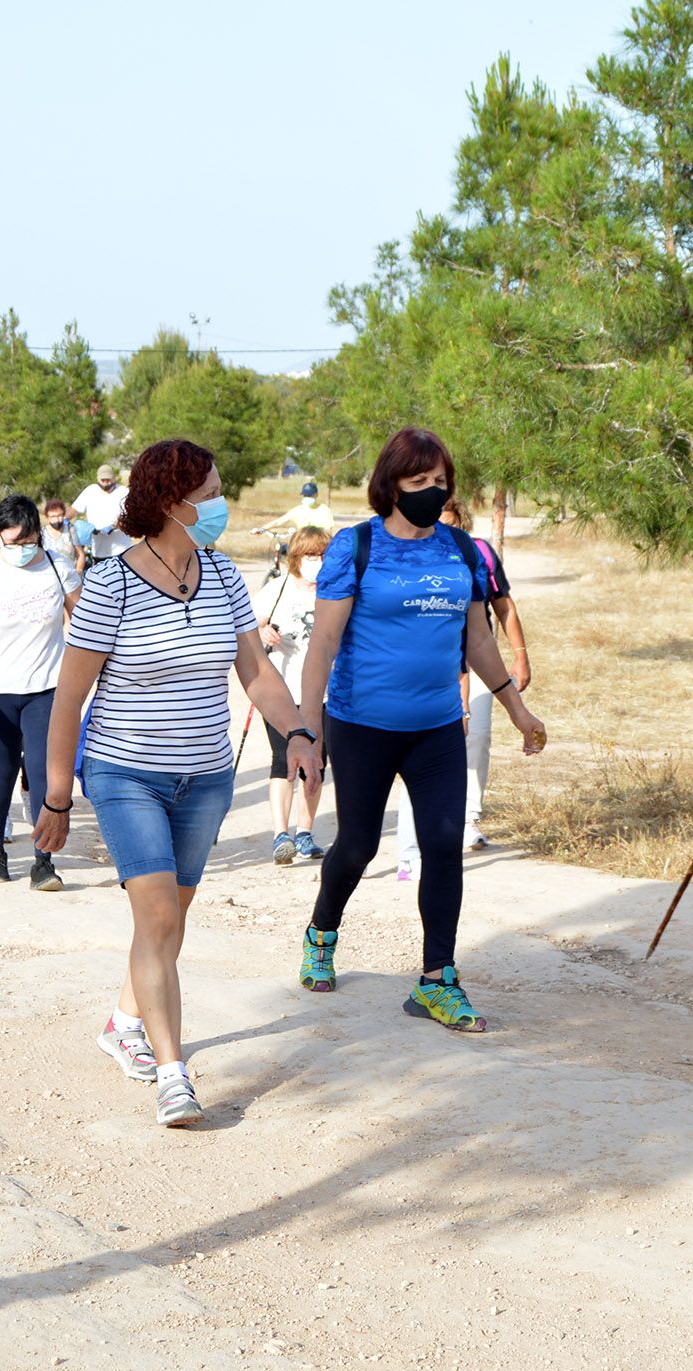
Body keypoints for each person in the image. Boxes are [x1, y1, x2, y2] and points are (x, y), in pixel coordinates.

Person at [34, 439, 317, 1127]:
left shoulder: (221, 576)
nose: (221, 503)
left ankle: (122, 1020)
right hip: (125, 772)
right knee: (158, 916)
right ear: (170, 500)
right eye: (211, 491)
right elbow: (69, 699)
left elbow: (255, 670)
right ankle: (172, 1072)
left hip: (206, 777)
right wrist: (57, 796)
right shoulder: (111, 584)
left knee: (168, 920)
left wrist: (299, 732)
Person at [296, 428, 550, 1033]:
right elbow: (323, 643)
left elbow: (479, 640)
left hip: (437, 726)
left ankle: (437, 979)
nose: (432, 492)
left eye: (440, 482)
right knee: (358, 845)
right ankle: (321, 930)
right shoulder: (354, 547)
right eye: (418, 482)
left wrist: (516, 708)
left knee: (442, 846)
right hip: (361, 724)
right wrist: (308, 731)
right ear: (390, 484)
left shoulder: (460, 550)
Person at [393, 493, 533, 877]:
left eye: (450, 519)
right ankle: (409, 849)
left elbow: (503, 607)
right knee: (423, 753)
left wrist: (520, 656)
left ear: (462, 520)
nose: (442, 525)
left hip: (478, 661)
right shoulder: (408, 555)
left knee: (477, 738)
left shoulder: (478, 554)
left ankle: (470, 819)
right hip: (433, 668)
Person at [0, 494, 81, 890]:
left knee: (44, 771)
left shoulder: (58, 567)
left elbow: (84, 616)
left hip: (46, 689)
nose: (22, 550)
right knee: (3, 770)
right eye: (13, 543)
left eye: (29, 542)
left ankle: (43, 861)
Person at [250, 526, 331, 864]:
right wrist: (262, 632)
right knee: (283, 760)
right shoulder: (278, 588)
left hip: (325, 693)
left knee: (315, 763)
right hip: (283, 690)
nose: (318, 562)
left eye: (323, 555)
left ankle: (305, 833)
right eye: (311, 556)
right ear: (297, 558)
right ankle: (280, 834)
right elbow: (247, 627)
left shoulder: (334, 590)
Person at [253, 481, 338, 574]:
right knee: (287, 552)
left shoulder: (324, 510)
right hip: (301, 544)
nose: (307, 498)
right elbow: (278, 522)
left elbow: (328, 532)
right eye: (306, 496)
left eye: (310, 495)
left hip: (318, 547)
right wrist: (261, 529)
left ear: (316, 495)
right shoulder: (298, 510)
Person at [72, 463, 131, 562]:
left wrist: (114, 526)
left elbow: (130, 516)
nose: (105, 483)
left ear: (114, 478)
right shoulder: (91, 491)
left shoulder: (123, 491)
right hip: (98, 550)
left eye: (108, 480)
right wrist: (63, 518)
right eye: (102, 480)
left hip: (121, 550)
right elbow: (75, 509)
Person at [40, 496, 80, 562]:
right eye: (53, 516)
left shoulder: (70, 530)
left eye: (59, 515)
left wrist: (78, 570)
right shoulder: (42, 533)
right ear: (47, 517)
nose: (57, 519)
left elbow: (80, 554)